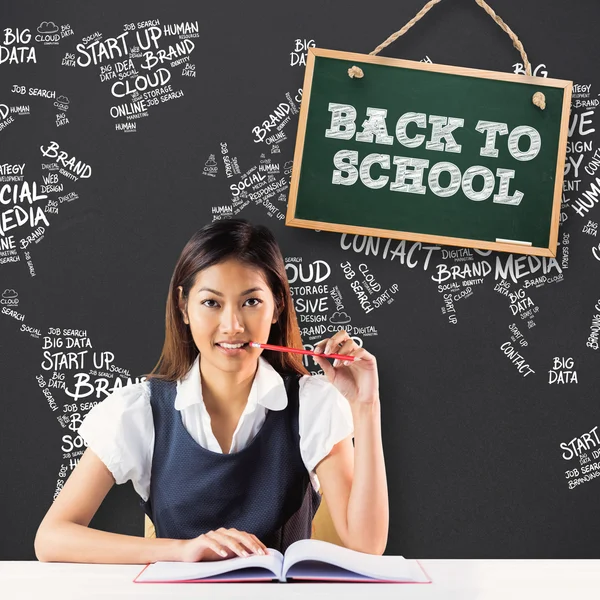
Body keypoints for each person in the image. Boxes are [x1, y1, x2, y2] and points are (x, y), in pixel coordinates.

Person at [34, 219, 388, 564]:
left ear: (278, 305)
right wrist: (180, 550)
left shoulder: (313, 403)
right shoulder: (141, 410)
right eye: (211, 303)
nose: (232, 326)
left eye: (251, 302)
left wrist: (365, 404)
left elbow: (367, 544)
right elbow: (52, 538)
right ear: (183, 307)